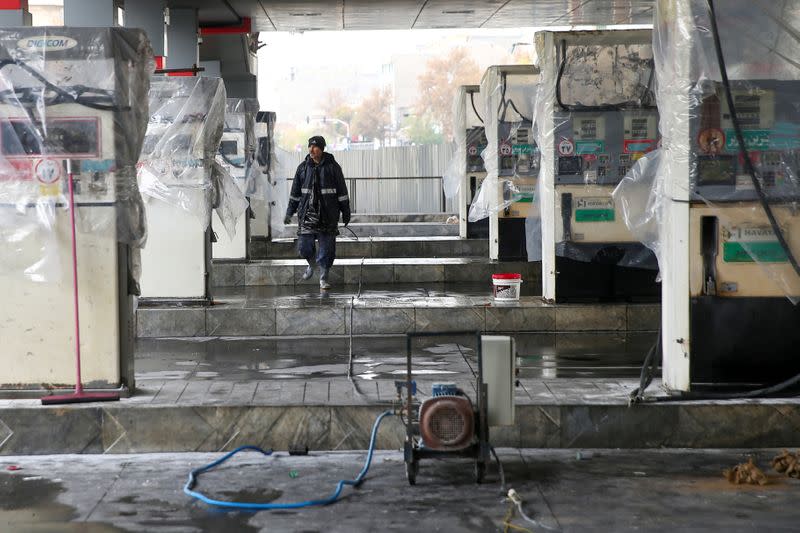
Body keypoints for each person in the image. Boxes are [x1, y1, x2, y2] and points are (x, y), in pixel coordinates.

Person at [284, 135, 350, 289]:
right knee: (304, 248)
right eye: (310, 146)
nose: (311, 150)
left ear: (322, 149)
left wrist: (346, 211)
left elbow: (342, 191)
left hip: (328, 215)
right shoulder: (302, 168)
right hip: (307, 214)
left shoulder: (333, 167)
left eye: (315, 147)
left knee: (327, 249)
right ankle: (312, 264)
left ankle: (323, 277)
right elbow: (295, 193)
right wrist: (289, 212)